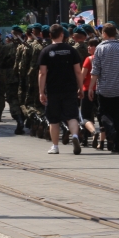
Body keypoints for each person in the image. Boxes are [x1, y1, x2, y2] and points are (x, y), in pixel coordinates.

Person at [38, 24, 84, 155]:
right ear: (62, 35)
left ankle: (55, 146)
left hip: (53, 89)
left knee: (54, 119)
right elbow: (78, 71)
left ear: (50, 35)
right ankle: (74, 136)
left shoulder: (46, 51)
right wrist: (81, 88)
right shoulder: (71, 50)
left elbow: (42, 73)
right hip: (70, 88)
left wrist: (41, 92)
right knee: (72, 116)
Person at [89, 23, 119, 153]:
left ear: (104, 34)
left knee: (104, 113)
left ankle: (110, 129)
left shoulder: (100, 49)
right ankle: (116, 143)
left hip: (104, 88)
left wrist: (91, 87)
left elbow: (96, 70)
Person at [80, 38, 100, 148]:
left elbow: (82, 76)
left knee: (85, 116)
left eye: (91, 45)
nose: (88, 47)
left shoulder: (89, 59)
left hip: (87, 89)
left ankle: (90, 134)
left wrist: (79, 88)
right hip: (100, 90)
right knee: (100, 114)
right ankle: (98, 140)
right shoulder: (103, 59)